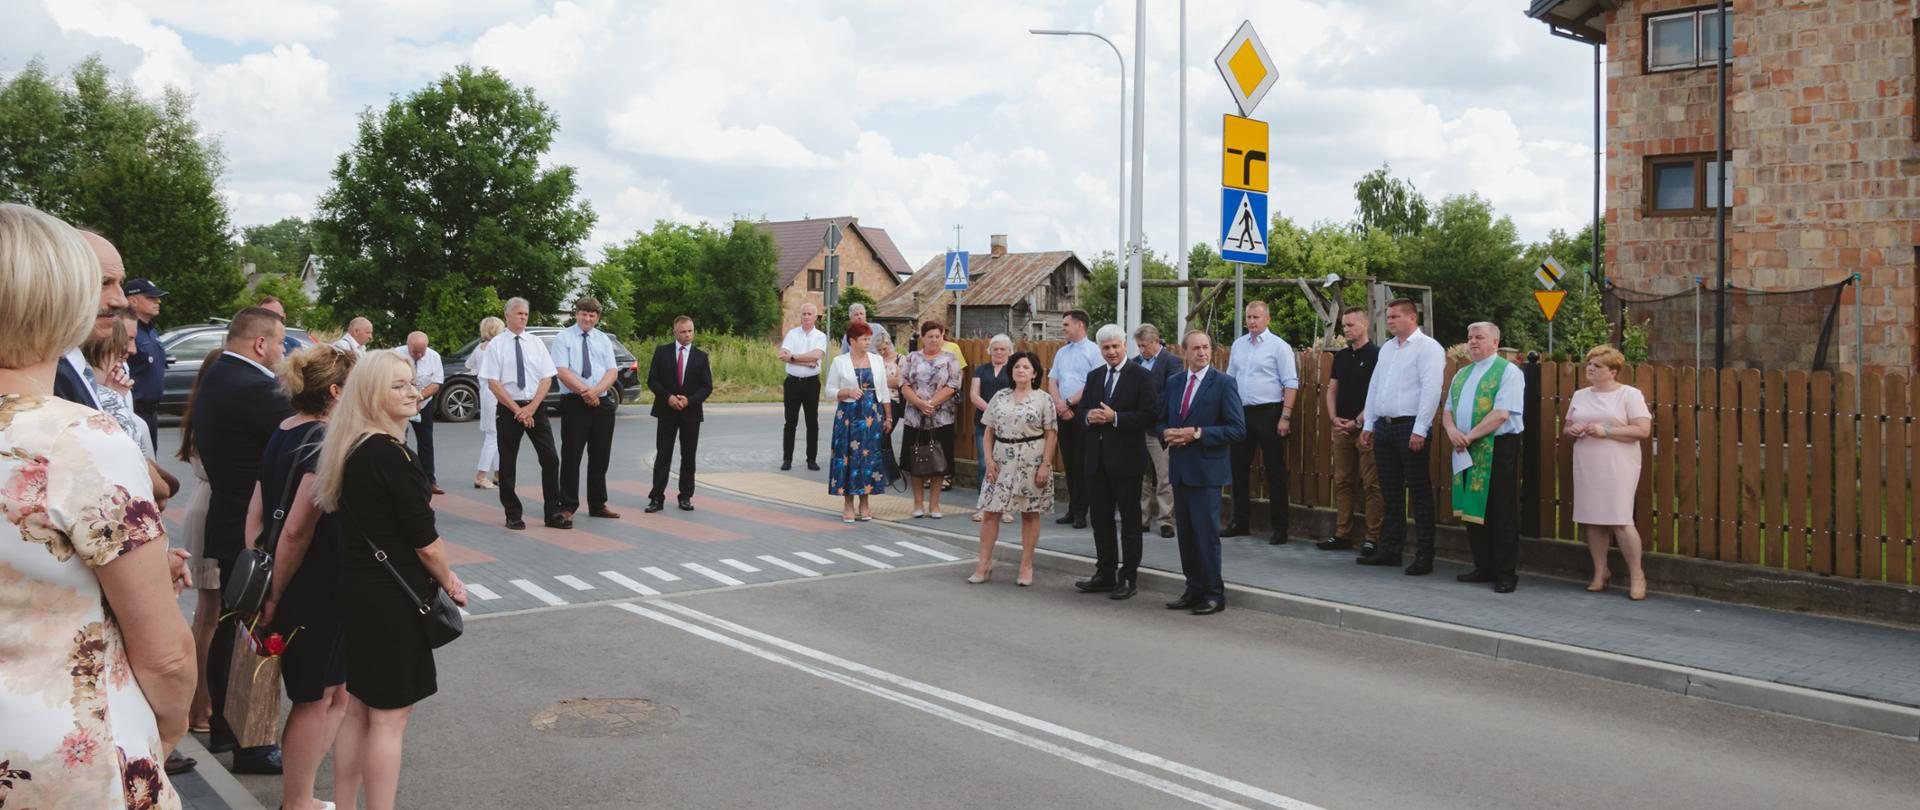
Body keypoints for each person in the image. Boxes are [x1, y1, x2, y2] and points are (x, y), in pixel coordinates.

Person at [0, 202, 196, 808]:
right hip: (58, 756)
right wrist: (166, 730)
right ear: (59, 301)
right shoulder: (74, 439)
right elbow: (164, 656)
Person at [313, 351, 468, 810]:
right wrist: (450, 580)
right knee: (388, 720)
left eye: (412, 382)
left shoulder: (351, 446)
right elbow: (426, 542)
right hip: (393, 601)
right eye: (398, 385)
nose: (412, 391)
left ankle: (345, 806)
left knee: (359, 710)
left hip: (360, 592)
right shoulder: (389, 454)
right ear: (371, 394)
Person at [242, 345, 356, 810]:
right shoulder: (324, 441)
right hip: (311, 586)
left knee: (334, 693)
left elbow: (256, 511)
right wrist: (275, 592)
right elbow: (296, 530)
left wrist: (257, 565)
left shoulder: (283, 430)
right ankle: (298, 800)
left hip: (291, 580)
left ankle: (302, 795)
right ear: (334, 391)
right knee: (316, 697)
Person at [192, 305, 294, 773]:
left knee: (233, 626)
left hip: (227, 518)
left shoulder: (216, 376)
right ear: (260, 344)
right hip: (251, 527)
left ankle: (224, 730)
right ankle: (251, 743)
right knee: (253, 629)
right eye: (279, 344)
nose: (281, 352)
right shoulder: (256, 387)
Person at [1358, 298, 1446, 575]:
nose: (1390, 321)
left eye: (1395, 316)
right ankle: (1390, 550)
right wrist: (1369, 424)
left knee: (1419, 493)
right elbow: (1375, 386)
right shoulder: (1387, 349)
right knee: (1390, 491)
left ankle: (1424, 555)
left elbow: (1431, 389)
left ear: (1412, 318)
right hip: (1384, 426)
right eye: (1389, 317)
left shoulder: (1428, 348)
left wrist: (1421, 428)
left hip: (1410, 427)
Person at [1160, 329, 1245, 615]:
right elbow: (1160, 419)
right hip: (1180, 470)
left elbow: (1236, 429)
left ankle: (1213, 593)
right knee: (1186, 534)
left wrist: (1197, 434)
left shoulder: (1223, 383)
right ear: (1185, 351)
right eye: (1195, 348)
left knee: (1206, 535)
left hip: (1207, 472)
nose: (1202, 352)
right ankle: (1193, 588)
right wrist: (1166, 432)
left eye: (1206, 347)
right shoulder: (1174, 383)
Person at [1072, 324, 1158, 600]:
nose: (1111, 352)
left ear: (1124, 346)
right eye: (1106, 348)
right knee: (1100, 520)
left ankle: (1128, 576)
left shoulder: (1141, 376)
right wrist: (1088, 416)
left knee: (1131, 523)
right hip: (1096, 462)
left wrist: (1115, 418)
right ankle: (1104, 573)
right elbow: (1082, 410)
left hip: (1127, 461)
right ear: (1100, 349)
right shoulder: (1094, 376)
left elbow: (1149, 414)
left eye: (1115, 346)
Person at [1442, 323, 1527, 593]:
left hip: (1497, 445)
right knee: (1472, 507)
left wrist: (1470, 436)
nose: (1472, 342)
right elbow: (1447, 410)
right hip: (1466, 445)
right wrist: (1453, 431)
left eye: (1479, 337)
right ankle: (1483, 566)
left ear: (1495, 342)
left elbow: (1502, 413)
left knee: (1500, 509)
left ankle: (1505, 572)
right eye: (1469, 338)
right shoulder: (1462, 373)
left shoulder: (1508, 371)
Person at [1566, 344, 1653, 600]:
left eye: (1597, 366)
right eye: (1589, 365)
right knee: (1591, 518)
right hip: (1587, 461)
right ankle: (1599, 572)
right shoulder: (1580, 395)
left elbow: (1642, 430)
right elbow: (1568, 426)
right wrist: (1571, 431)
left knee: (1620, 519)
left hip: (1618, 464)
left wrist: (1607, 431)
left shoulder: (1629, 394)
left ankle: (1637, 575)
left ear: (1613, 371)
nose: (1590, 369)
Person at [174, 347, 228, 750]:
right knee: (211, 616)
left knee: (207, 616)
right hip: (211, 507)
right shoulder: (217, 414)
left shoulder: (197, 410)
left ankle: (198, 707)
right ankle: (202, 709)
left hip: (200, 501)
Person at [969, 351, 1058, 586]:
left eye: (1026, 367)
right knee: (990, 513)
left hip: (1031, 460)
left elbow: (1051, 435)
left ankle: (1026, 565)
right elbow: (988, 430)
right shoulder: (1000, 396)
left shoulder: (1043, 399)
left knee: (1030, 514)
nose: (1021, 370)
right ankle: (984, 563)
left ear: (1035, 372)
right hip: (1000, 461)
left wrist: (1045, 465)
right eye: (1017, 366)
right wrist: (988, 460)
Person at [477, 298, 563, 530]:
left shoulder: (535, 343)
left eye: (526, 314)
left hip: (535, 407)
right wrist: (517, 411)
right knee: (507, 463)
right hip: (509, 409)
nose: (523, 318)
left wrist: (532, 408)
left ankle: (553, 513)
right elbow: (493, 382)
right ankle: (513, 513)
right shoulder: (496, 345)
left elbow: (547, 377)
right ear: (507, 316)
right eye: (519, 314)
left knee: (551, 459)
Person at [1225, 300, 1300, 544]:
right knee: (1238, 468)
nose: (1252, 321)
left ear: (1267, 319)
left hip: (1269, 413)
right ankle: (1240, 521)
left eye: (1257, 317)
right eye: (1248, 317)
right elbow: (1230, 379)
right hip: (1241, 413)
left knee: (1274, 470)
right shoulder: (1238, 345)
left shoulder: (1279, 347)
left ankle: (1280, 527)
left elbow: (1290, 382)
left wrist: (1285, 416)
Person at [549, 297, 621, 520]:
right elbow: (561, 370)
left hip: (601, 401)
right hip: (574, 402)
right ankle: (568, 505)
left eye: (592, 315)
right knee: (572, 456)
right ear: (577, 313)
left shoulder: (603, 340)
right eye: (584, 313)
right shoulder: (564, 338)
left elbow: (612, 371)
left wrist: (596, 391)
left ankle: (598, 504)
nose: (587, 318)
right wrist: (585, 392)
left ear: (597, 317)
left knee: (600, 456)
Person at [1321, 307, 1384, 555]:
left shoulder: (1378, 355)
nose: (1346, 329)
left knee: (1371, 484)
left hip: (1366, 427)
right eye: (1344, 325)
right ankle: (1342, 533)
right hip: (1342, 427)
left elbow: (1377, 393)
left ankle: (1372, 537)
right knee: (1344, 482)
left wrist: (1358, 421)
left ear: (1365, 324)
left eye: (1351, 325)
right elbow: (1331, 389)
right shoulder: (1341, 356)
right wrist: (1333, 417)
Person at [825, 322, 892, 521]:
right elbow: (829, 390)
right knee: (847, 459)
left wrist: (888, 416)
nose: (867, 342)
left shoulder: (876, 360)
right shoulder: (839, 361)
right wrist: (846, 392)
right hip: (848, 416)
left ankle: (865, 503)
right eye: (864, 339)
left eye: (869, 339)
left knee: (868, 459)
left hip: (872, 415)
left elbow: (884, 390)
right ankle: (848, 505)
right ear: (852, 341)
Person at [647, 316, 712, 513]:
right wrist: (668, 397)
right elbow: (653, 380)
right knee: (663, 455)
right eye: (683, 331)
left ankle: (685, 496)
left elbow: (706, 387)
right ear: (675, 332)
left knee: (688, 456)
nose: (687, 335)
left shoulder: (701, 357)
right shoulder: (662, 352)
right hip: (667, 411)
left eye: (690, 331)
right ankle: (656, 498)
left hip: (690, 413)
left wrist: (689, 400)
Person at [899, 319, 961, 518]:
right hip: (915, 418)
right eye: (930, 336)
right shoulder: (911, 358)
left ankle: (934, 505)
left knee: (938, 463)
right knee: (916, 461)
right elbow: (904, 384)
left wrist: (931, 403)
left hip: (941, 418)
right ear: (922, 338)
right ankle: (918, 504)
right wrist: (919, 403)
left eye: (938, 336)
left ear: (942, 336)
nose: (934, 340)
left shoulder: (950, 358)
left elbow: (953, 385)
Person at [1047, 309, 1101, 528]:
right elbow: (1052, 380)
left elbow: (1093, 384)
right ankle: (1071, 508)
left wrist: (1069, 403)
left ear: (1080, 325)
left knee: (1082, 464)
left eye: (1066, 324)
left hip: (1082, 412)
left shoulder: (1094, 352)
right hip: (1062, 412)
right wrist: (1060, 404)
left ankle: (1082, 511)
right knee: (1069, 464)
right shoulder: (1062, 352)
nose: (1063, 328)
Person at [1132, 323, 1181, 539]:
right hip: (1136, 428)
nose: (1142, 350)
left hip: (1159, 427)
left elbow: (1172, 394)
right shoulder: (1134, 364)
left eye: (1145, 346)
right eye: (1139, 346)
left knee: (1164, 476)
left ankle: (1165, 520)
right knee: (1140, 476)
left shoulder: (1172, 362)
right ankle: (1141, 518)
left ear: (1156, 340)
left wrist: (1147, 406)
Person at [84, 313, 155, 458]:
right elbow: (133, 456)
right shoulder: (106, 396)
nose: (132, 350)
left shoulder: (112, 389)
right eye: (126, 341)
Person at [968, 334, 1014, 522]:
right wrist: (991, 411)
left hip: (1009, 426)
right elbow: (973, 394)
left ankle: (1005, 508)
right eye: (996, 348)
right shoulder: (981, 369)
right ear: (990, 350)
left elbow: (1015, 393)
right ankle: (984, 506)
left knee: (1007, 466)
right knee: (984, 465)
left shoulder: (1013, 370)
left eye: (1003, 349)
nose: (999, 352)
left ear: (1010, 351)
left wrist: (1001, 413)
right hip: (983, 424)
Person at [779, 303, 829, 471]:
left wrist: (793, 357)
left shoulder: (820, 336)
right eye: (804, 314)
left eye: (810, 314)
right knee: (790, 422)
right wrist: (803, 360)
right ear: (800, 316)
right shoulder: (792, 334)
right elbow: (783, 355)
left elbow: (816, 355)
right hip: (792, 382)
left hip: (811, 384)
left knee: (811, 422)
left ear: (816, 317)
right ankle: (787, 459)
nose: (806, 317)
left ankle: (811, 459)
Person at [395, 332, 444, 494]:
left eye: (421, 351)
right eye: (414, 351)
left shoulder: (433, 357)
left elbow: (436, 383)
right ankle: (401, 481)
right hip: (399, 404)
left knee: (426, 442)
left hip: (423, 404)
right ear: (407, 345)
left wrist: (419, 398)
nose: (418, 355)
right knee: (399, 442)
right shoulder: (395, 354)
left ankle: (430, 481)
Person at [125, 276, 169, 440]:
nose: (158, 301)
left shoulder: (151, 331)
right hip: (135, 409)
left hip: (151, 411)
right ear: (133, 301)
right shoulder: (127, 331)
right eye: (151, 297)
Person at [469, 316, 505, 489]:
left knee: (496, 435)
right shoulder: (496, 347)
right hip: (495, 394)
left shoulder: (479, 347)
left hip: (485, 392)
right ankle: (481, 475)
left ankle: (498, 473)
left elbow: (470, 365)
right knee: (493, 436)